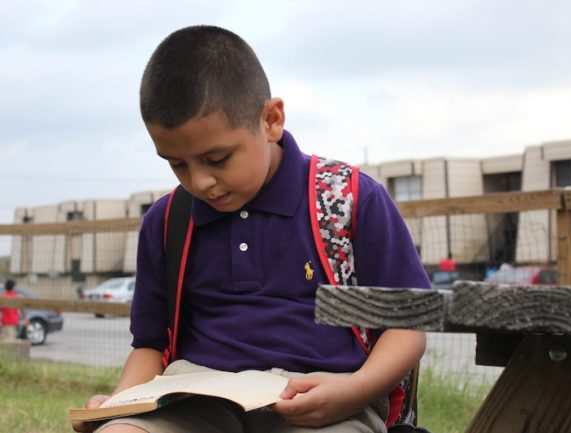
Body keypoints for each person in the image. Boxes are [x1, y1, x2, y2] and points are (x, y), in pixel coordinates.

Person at [73, 25, 430, 433]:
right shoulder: (168, 221)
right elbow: (150, 346)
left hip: (325, 402)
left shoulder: (348, 200)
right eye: (178, 164)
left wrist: (354, 390)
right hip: (194, 402)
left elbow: (408, 326)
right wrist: (118, 408)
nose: (200, 181)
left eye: (217, 158)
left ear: (271, 120)